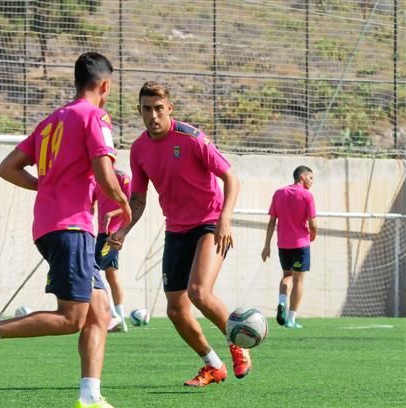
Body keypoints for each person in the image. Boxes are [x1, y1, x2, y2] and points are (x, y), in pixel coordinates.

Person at [0, 52, 132, 408]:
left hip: (53, 225)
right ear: (105, 86)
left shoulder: (52, 121)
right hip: (71, 228)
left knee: (99, 313)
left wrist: (46, 185)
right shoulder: (95, 116)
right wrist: (123, 205)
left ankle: (90, 397)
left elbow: (8, 168)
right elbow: (104, 174)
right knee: (72, 318)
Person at [108, 81, 251, 387]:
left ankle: (237, 340)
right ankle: (213, 365)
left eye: (159, 109)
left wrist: (225, 219)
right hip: (176, 228)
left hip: (210, 223)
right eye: (147, 109)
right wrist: (122, 231)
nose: (153, 116)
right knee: (175, 309)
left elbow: (230, 177)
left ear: (169, 109)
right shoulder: (139, 149)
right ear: (140, 111)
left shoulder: (192, 138)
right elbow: (138, 199)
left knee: (199, 292)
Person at [261, 166, 317, 329]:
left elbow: (272, 221)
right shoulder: (307, 195)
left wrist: (266, 246)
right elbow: (312, 222)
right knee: (299, 281)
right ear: (302, 177)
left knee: (287, 275)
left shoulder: (279, 193)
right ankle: (291, 319)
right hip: (300, 245)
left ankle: (281, 303)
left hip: (283, 245)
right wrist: (313, 233)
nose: (312, 181)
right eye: (311, 178)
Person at [94, 168, 131, 333]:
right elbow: (89, 202)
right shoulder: (95, 178)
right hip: (102, 232)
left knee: (91, 270)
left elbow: (130, 206)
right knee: (111, 273)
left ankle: (114, 315)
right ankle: (120, 318)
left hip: (113, 233)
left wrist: (112, 213)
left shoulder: (123, 178)